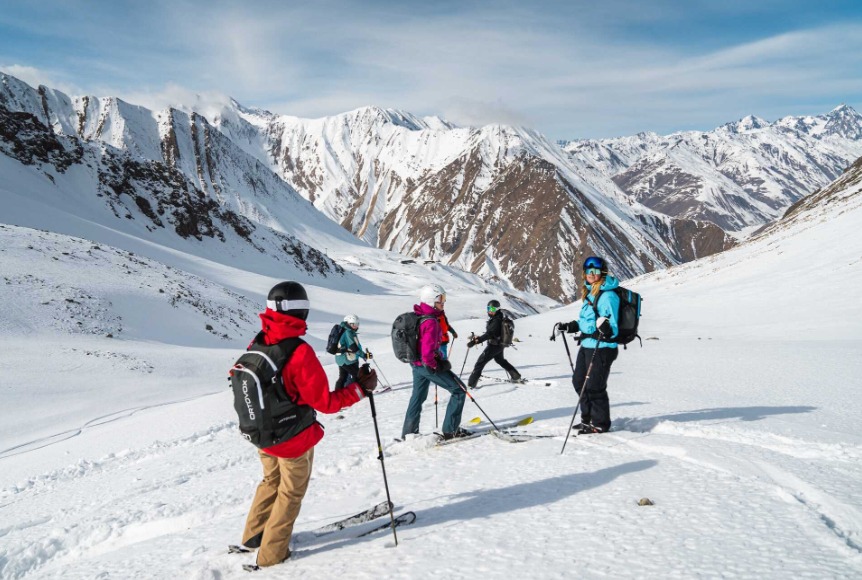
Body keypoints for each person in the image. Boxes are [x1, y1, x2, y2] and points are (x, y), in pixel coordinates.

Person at [240, 281, 378, 569]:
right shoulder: (299, 352)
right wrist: (359, 391)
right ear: (301, 312)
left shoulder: (259, 340)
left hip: (262, 433)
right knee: (290, 493)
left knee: (270, 481)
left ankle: (253, 536)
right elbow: (325, 403)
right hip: (292, 437)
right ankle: (272, 555)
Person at [558, 256, 620, 434]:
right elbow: (586, 322)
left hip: (602, 348)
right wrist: (571, 326)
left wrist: (607, 329)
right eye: (588, 271)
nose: (592, 274)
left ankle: (600, 424)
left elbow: (612, 327)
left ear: (603, 272)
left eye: (595, 271)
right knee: (579, 382)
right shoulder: (590, 294)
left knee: (594, 386)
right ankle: (588, 419)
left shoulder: (608, 296)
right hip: (587, 345)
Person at [401, 284, 469, 440]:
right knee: (459, 390)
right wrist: (436, 365)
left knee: (417, 397)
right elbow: (427, 354)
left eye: (444, 299)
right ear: (431, 301)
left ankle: (408, 433)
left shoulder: (419, 314)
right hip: (425, 365)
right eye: (440, 299)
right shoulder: (431, 322)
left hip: (416, 364)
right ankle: (450, 431)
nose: (443, 302)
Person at [466, 300, 521, 388]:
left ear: (497, 309)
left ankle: (471, 384)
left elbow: (490, 334)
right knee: (500, 360)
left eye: (492, 308)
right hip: (499, 345)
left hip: (494, 346)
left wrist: (476, 341)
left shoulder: (496, 320)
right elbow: (492, 333)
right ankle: (516, 376)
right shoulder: (497, 318)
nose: (489, 310)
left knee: (480, 363)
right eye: (488, 308)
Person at [334, 314, 370, 390]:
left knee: (343, 377)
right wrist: (363, 355)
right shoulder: (348, 332)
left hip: (341, 358)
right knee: (357, 375)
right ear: (349, 323)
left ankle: (338, 394)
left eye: (357, 324)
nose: (356, 326)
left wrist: (363, 355)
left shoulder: (347, 331)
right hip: (346, 359)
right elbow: (353, 347)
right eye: (354, 324)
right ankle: (357, 392)